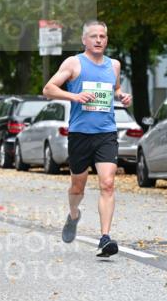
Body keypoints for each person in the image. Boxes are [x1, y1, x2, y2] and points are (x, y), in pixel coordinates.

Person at [42, 20, 132, 257]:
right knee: (77, 185)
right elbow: (48, 89)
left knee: (108, 183)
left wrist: (122, 96)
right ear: (84, 40)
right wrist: (75, 96)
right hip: (80, 134)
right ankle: (73, 215)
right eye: (94, 36)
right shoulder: (74, 63)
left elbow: (114, 88)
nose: (99, 40)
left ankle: (105, 238)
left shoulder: (114, 65)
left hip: (106, 133)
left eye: (103, 36)